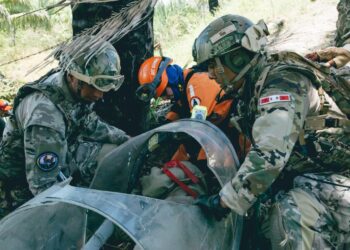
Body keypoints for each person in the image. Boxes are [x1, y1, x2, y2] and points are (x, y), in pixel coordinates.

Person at [192, 14, 350, 249]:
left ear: (237, 57)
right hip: (321, 174)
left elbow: (269, 152)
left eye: (214, 64)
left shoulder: (281, 82)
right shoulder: (256, 83)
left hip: (340, 176)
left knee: (288, 216)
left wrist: (225, 201)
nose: (212, 74)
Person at [0, 39, 129, 219]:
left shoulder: (73, 88)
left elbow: (89, 123)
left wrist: (127, 140)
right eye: (95, 87)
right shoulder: (45, 118)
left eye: (105, 87)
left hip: (57, 152)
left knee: (116, 152)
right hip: (19, 189)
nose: (100, 95)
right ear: (72, 76)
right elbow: (43, 188)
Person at [136, 56, 250, 160]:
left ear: (171, 79)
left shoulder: (196, 86)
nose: (166, 97)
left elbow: (198, 132)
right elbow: (176, 115)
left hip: (232, 135)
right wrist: (156, 136)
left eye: (164, 93)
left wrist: (173, 137)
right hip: (216, 131)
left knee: (199, 167)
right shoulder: (186, 82)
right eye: (162, 96)